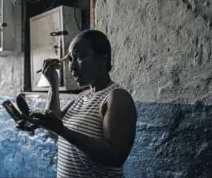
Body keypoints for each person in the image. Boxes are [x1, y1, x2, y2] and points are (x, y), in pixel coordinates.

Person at [19, 29, 137, 178]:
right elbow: (54, 131)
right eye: (69, 59)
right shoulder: (82, 97)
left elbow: (115, 157)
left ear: (103, 58)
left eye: (79, 57)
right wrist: (53, 85)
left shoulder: (117, 97)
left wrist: (62, 130)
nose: (72, 67)